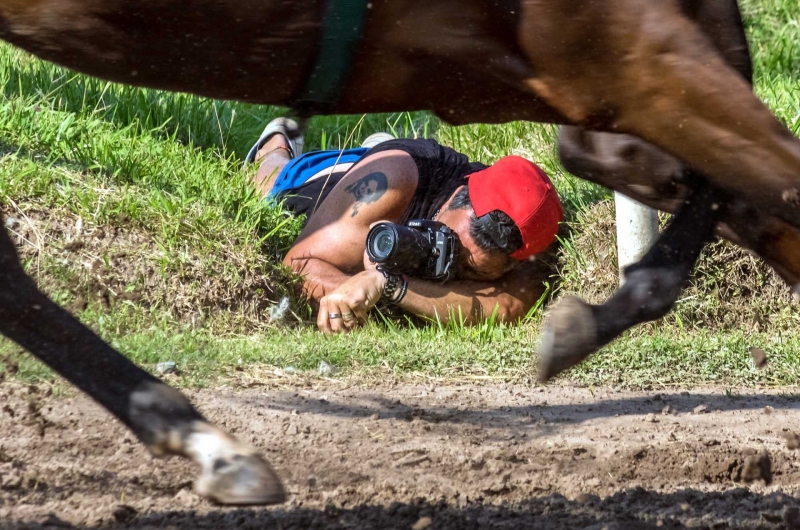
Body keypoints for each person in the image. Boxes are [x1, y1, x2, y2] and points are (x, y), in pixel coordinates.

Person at [246, 118, 563, 334]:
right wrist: (357, 293)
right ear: (458, 195)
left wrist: (386, 285)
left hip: (389, 172)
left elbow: (505, 308)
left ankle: (376, 143)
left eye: (475, 274)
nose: (453, 270)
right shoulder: (392, 183)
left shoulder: (528, 232)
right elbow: (297, 264)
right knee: (273, 182)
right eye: (450, 244)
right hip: (328, 180)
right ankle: (277, 141)